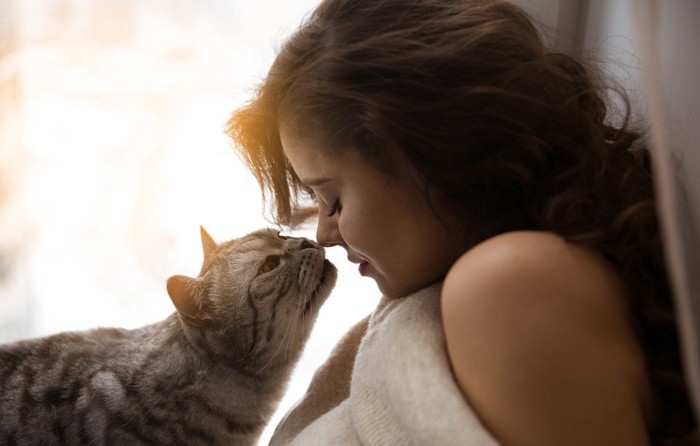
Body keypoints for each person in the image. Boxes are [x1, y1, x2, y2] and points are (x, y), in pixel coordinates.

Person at [227, 0, 697, 444]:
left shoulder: (513, 283)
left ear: (427, 157)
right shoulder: (500, 279)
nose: (325, 237)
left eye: (332, 200)